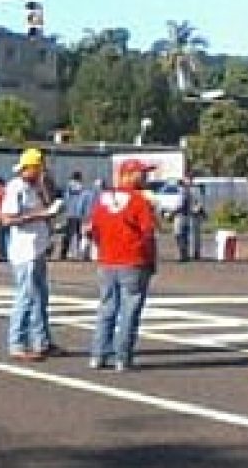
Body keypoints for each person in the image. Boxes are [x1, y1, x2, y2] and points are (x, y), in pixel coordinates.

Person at [88, 159, 158, 372]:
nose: (145, 177)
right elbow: (148, 233)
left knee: (107, 308)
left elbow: (94, 230)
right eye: (141, 173)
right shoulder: (139, 201)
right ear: (128, 175)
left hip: (107, 260)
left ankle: (98, 354)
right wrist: (151, 260)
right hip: (133, 260)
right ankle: (122, 356)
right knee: (129, 309)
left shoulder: (102, 200)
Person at [0, 148, 60, 362]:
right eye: (40, 168)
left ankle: (41, 340)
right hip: (24, 252)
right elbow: (7, 218)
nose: (43, 172)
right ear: (31, 168)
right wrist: (41, 214)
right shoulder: (17, 187)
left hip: (37, 249)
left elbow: (45, 207)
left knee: (40, 298)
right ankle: (17, 343)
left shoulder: (34, 188)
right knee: (26, 297)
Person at [59, 171, 93, 261]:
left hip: (72, 214)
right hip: (76, 214)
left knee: (70, 235)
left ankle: (66, 253)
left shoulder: (70, 187)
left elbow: (66, 198)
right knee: (75, 235)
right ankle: (74, 253)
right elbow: (85, 201)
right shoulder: (80, 188)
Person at [173, 175, 206, 262]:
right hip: (187, 215)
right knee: (186, 235)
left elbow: (183, 204)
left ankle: (187, 254)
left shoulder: (188, 190)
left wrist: (172, 213)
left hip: (186, 215)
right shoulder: (187, 190)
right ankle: (187, 254)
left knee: (182, 235)